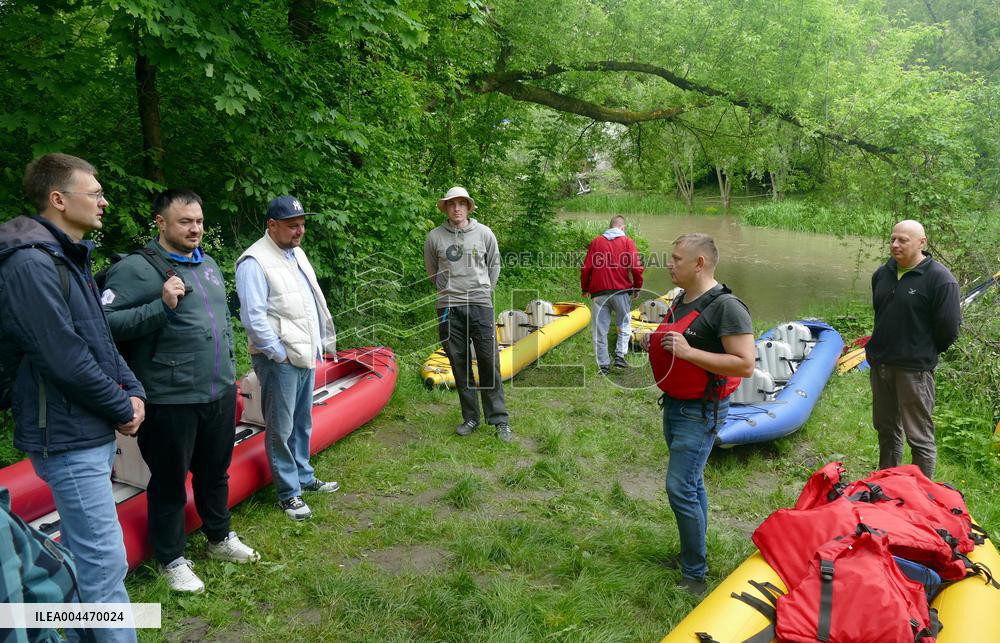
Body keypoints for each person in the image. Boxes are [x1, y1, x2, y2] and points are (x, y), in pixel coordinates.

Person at [0, 153, 145, 643]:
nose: (104, 201)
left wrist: (134, 389)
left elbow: (98, 340)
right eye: (95, 192)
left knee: (96, 561)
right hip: (65, 436)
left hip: (87, 427)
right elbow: (62, 358)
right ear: (58, 200)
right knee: (104, 566)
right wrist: (121, 405)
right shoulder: (29, 265)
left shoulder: (67, 258)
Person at [102, 189, 260, 593]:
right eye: (185, 222)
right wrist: (161, 306)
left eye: (200, 221)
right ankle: (171, 558)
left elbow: (219, 325)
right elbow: (104, 326)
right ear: (160, 223)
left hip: (218, 393)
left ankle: (219, 538)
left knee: (214, 473)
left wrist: (232, 379)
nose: (195, 229)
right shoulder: (136, 270)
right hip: (169, 399)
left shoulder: (206, 263)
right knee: (170, 482)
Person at [643, 233, 754, 595]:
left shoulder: (728, 307)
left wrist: (689, 354)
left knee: (680, 487)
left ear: (699, 263)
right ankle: (694, 554)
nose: (669, 264)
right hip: (676, 404)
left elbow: (744, 364)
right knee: (692, 483)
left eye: (676, 258)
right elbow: (683, 338)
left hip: (700, 411)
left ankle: (695, 575)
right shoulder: (683, 297)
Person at [235, 195, 340, 522]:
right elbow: (253, 318)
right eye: (293, 225)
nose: (300, 231)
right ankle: (288, 494)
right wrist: (278, 354)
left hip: (303, 352)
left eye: (302, 224)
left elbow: (306, 304)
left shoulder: (294, 253)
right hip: (279, 358)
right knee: (280, 427)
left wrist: (318, 343)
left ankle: (304, 478)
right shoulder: (254, 261)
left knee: (302, 420)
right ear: (272, 225)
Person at [866, 219, 960, 479]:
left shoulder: (940, 280)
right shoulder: (882, 274)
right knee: (887, 430)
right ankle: (886, 484)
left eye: (903, 240)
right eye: (893, 239)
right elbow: (881, 316)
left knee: (919, 437)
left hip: (914, 370)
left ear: (922, 242)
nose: (895, 245)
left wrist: (920, 351)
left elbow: (949, 330)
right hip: (881, 364)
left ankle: (920, 496)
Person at [424, 186, 512, 442]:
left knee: (488, 361)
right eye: (452, 204)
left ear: (469, 207)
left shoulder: (484, 233)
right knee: (458, 363)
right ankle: (470, 417)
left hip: (480, 306)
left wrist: (484, 289)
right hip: (448, 308)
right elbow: (432, 270)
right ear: (446, 208)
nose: (457, 208)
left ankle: (499, 420)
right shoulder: (435, 237)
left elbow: (494, 264)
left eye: (462, 203)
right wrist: (448, 293)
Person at [581, 215, 644, 374]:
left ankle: (603, 365)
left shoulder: (596, 242)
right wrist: (637, 287)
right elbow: (636, 268)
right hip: (621, 291)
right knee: (624, 323)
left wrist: (585, 288)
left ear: (610, 227)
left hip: (599, 293)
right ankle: (620, 356)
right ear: (622, 228)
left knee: (600, 329)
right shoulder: (627, 242)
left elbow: (586, 268)